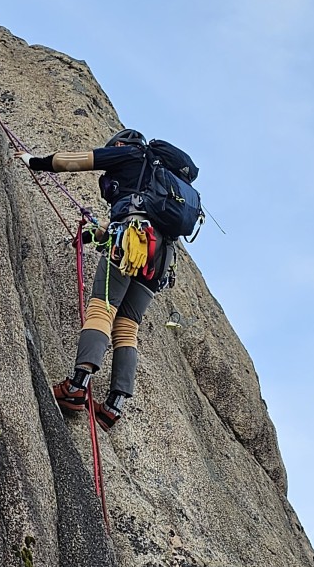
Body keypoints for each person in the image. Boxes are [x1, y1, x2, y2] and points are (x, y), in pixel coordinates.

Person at [23, 129, 198, 430]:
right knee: (128, 328)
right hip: (161, 257)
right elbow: (137, 213)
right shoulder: (158, 179)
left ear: (121, 144)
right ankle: (113, 407)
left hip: (134, 240)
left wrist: (36, 162)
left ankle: (77, 387)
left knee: (102, 308)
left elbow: (78, 160)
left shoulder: (131, 154)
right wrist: (97, 232)